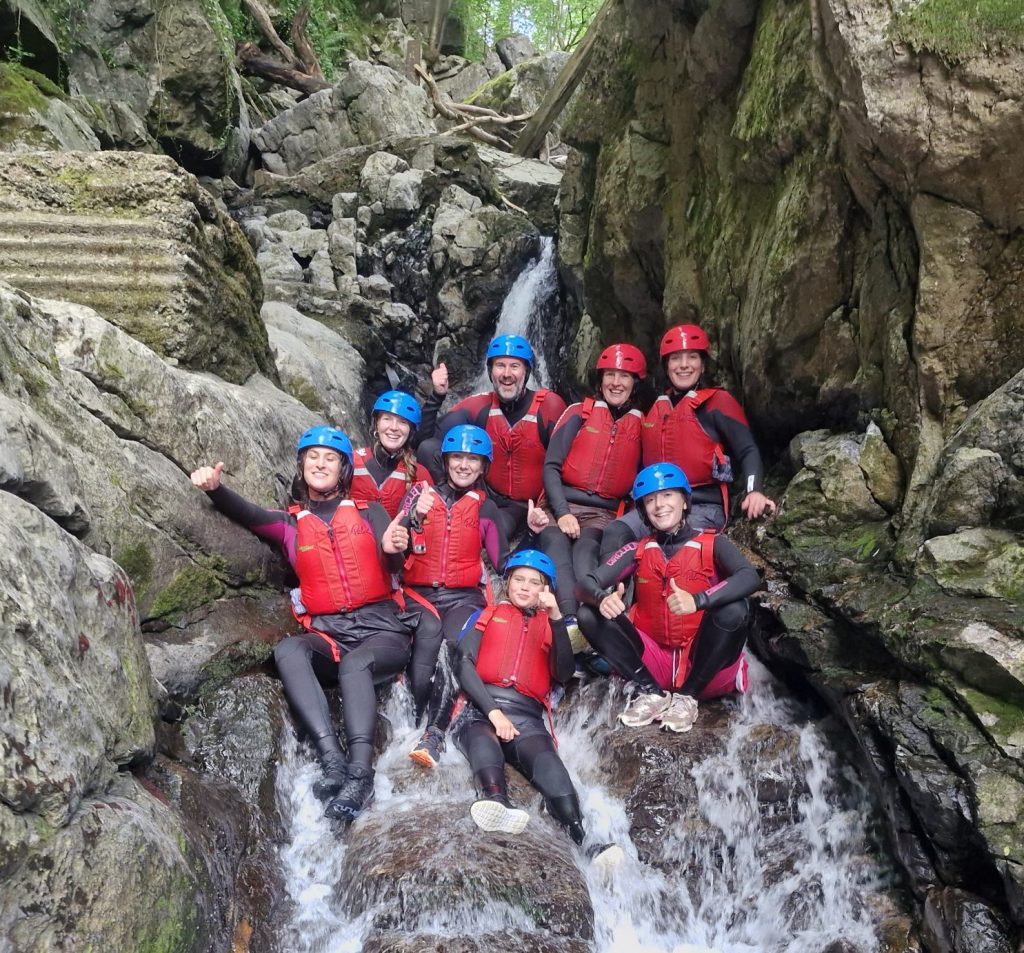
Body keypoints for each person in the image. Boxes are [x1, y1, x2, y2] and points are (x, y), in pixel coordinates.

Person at [190, 426, 413, 822]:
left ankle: (360, 776)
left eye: (330, 458)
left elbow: (393, 562)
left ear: (344, 469)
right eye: (313, 457)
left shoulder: (371, 513)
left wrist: (395, 547)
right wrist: (215, 489)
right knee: (289, 648)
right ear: (302, 465)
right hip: (331, 635)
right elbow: (249, 515)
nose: (321, 464)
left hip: (383, 633)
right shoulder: (290, 524)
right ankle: (333, 761)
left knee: (356, 662)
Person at [452, 550, 620, 866]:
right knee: (483, 743)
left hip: (527, 717)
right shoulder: (486, 614)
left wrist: (556, 618)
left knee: (551, 767)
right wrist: (493, 712)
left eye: (534, 582)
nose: (525, 587)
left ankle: (583, 840)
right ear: (508, 582)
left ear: (546, 589)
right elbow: (463, 663)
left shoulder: (552, 625)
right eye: (519, 579)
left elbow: (563, 672)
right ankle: (496, 800)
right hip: (481, 708)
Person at [384, 425, 537, 768]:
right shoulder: (418, 494)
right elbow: (392, 550)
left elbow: (503, 563)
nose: (464, 465)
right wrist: (414, 516)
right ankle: (410, 721)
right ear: (446, 460)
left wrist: (531, 533)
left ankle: (434, 733)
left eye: (473, 459)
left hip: (463, 599)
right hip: (417, 594)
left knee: (455, 647)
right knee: (426, 641)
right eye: (457, 457)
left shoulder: (486, 508)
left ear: (483, 467)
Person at [576, 463, 759, 732]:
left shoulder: (714, 543)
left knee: (735, 608)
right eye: (650, 500)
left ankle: (687, 698)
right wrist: (601, 597)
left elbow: (749, 577)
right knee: (588, 613)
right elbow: (585, 584)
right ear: (643, 511)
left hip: (704, 667)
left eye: (667, 495)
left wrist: (699, 600)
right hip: (654, 664)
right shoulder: (637, 550)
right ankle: (652, 693)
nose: (659, 505)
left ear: (685, 501)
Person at [594, 323, 776, 561]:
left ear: (703, 364)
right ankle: (613, 585)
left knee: (668, 546)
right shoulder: (656, 407)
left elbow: (748, 449)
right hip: (656, 504)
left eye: (692, 357)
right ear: (666, 366)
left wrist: (754, 491)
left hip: (701, 505)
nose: (683, 365)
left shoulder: (718, 402)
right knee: (615, 532)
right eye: (675, 358)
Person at [539, 343, 649, 635]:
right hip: (560, 505)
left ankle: (588, 623)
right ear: (600, 381)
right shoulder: (579, 413)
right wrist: (562, 512)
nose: (616, 382)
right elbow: (551, 466)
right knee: (556, 548)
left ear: (635, 383)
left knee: (586, 554)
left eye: (624, 376)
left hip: (603, 514)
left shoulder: (642, 426)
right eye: (610, 375)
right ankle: (569, 620)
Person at [419, 335, 567, 542]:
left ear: (526, 371)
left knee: (485, 536)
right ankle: (450, 502)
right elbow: (423, 442)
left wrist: (559, 509)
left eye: (514, 366)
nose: (506, 374)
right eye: (500, 366)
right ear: (490, 372)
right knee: (428, 449)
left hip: (524, 504)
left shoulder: (549, 406)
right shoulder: (480, 406)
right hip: (483, 492)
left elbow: (569, 460)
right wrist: (437, 396)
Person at [349, 390, 433, 519]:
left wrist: (418, 517)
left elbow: (431, 523)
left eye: (402, 422)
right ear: (376, 424)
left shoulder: (419, 474)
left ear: (410, 431)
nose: (394, 427)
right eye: (387, 419)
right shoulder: (351, 462)